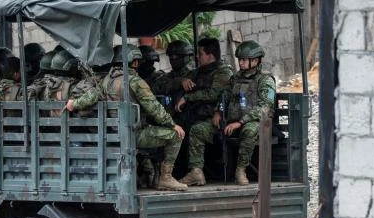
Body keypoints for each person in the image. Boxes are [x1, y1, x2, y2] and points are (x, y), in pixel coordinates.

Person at [184, 40, 276, 186]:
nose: (240, 63)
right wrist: (218, 112)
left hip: (253, 122)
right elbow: (224, 96)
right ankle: (196, 172)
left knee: (250, 130)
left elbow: (265, 107)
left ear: (255, 60)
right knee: (198, 130)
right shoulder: (236, 78)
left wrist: (240, 122)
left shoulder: (265, 79)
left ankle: (241, 170)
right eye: (240, 60)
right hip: (230, 122)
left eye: (244, 60)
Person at [101, 44, 186, 191]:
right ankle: (165, 178)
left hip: (113, 134)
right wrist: (172, 125)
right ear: (134, 62)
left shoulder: (106, 81)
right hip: (133, 134)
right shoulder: (134, 81)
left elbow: (92, 98)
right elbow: (154, 107)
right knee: (175, 136)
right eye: (138, 61)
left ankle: (151, 175)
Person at [174, 37, 235, 129]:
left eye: (200, 54)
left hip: (212, 118)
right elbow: (180, 78)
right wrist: (183, 81)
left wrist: (187, 98)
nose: (197, 57)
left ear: (210, 56)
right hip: (195, 115)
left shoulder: (223, 72)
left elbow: (213, 94)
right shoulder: (200, 71)